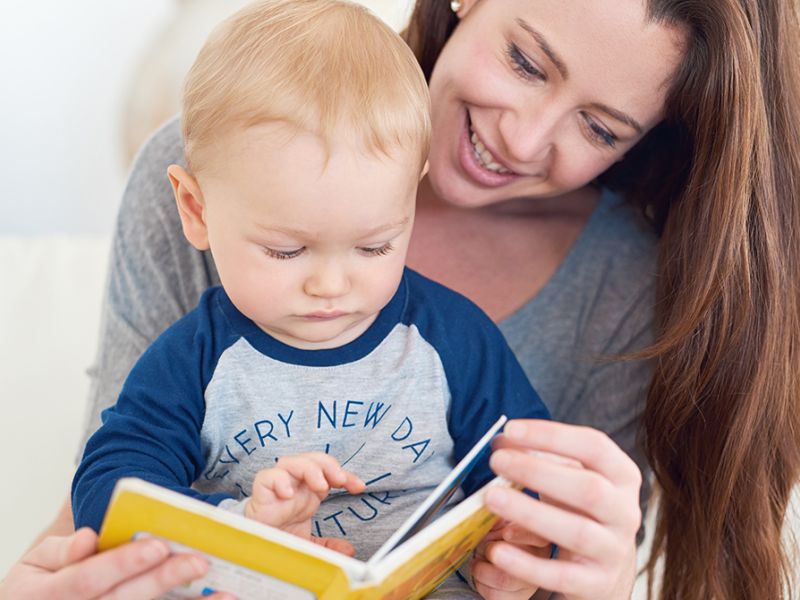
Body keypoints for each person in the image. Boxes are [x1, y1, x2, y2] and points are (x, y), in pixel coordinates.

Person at [3, 0, 798, 598]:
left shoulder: (613, 287)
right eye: (525, 61)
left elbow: (527, 512)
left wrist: (568, 568)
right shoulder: (225, 162)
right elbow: (112, 497)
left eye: (599, 126)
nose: (523, 139)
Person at [70, 4, 550, 588]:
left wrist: (522, 552)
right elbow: (109, 486)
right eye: (285, 251)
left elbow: (533, 469)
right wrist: (242, 526)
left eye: (374, 247)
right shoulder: (196, 359)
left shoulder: (452, 340)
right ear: (197, 210)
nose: (330, 285)